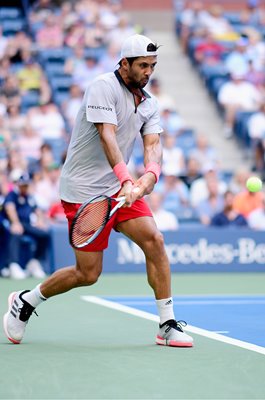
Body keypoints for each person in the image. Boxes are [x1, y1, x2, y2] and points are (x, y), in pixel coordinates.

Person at [3, 34, 193, 348]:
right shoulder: (103, 87)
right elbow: (107, 136)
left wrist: (149, 177)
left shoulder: (150, 103)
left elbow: (154, 146)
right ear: (124, 64)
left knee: (155, 241)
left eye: (152, 66)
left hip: (119, 190)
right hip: (83, 190)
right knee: (88, 273)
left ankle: (166, 324)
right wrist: (126, 180)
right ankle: (26, 300)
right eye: (142, 65)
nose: (148, 72)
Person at [1, 173, 50, 279]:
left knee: (44, 234)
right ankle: (13, 264)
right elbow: (10, 208)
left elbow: (37, 210)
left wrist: (40, 221)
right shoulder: (12, 195)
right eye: (23, 185)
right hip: (12, 224)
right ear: (18, 184)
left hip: (26, 224)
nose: (25, 187)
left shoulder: (29, 196)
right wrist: (15, 222)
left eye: (27, 185)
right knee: (16, 233)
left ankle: (34, 262)